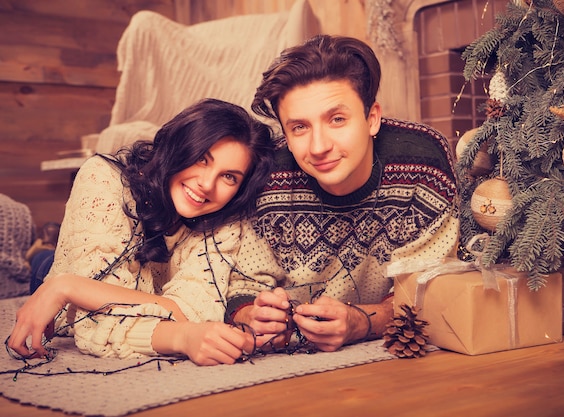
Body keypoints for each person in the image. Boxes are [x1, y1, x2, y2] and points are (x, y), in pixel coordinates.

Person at [225, 35, 460, 353]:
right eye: (300, 128)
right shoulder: (268, 173)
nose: (319, 147)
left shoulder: (423, 161)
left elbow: (430, 286)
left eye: (337, 119)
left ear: (372, 118)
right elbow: (243, 285)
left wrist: (363, 322)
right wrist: (255, 315)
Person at [7, 98, 275, 366]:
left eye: (229, 177)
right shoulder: (103, 177)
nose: (206, 184)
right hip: (67, 267)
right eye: (202, 159)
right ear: (179, 147)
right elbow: (91, 321)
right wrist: (61, 284)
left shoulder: (223, 217)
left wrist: (69, 287)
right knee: (45, 269)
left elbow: (195, 312)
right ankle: (43, 254)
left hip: (81, 280)